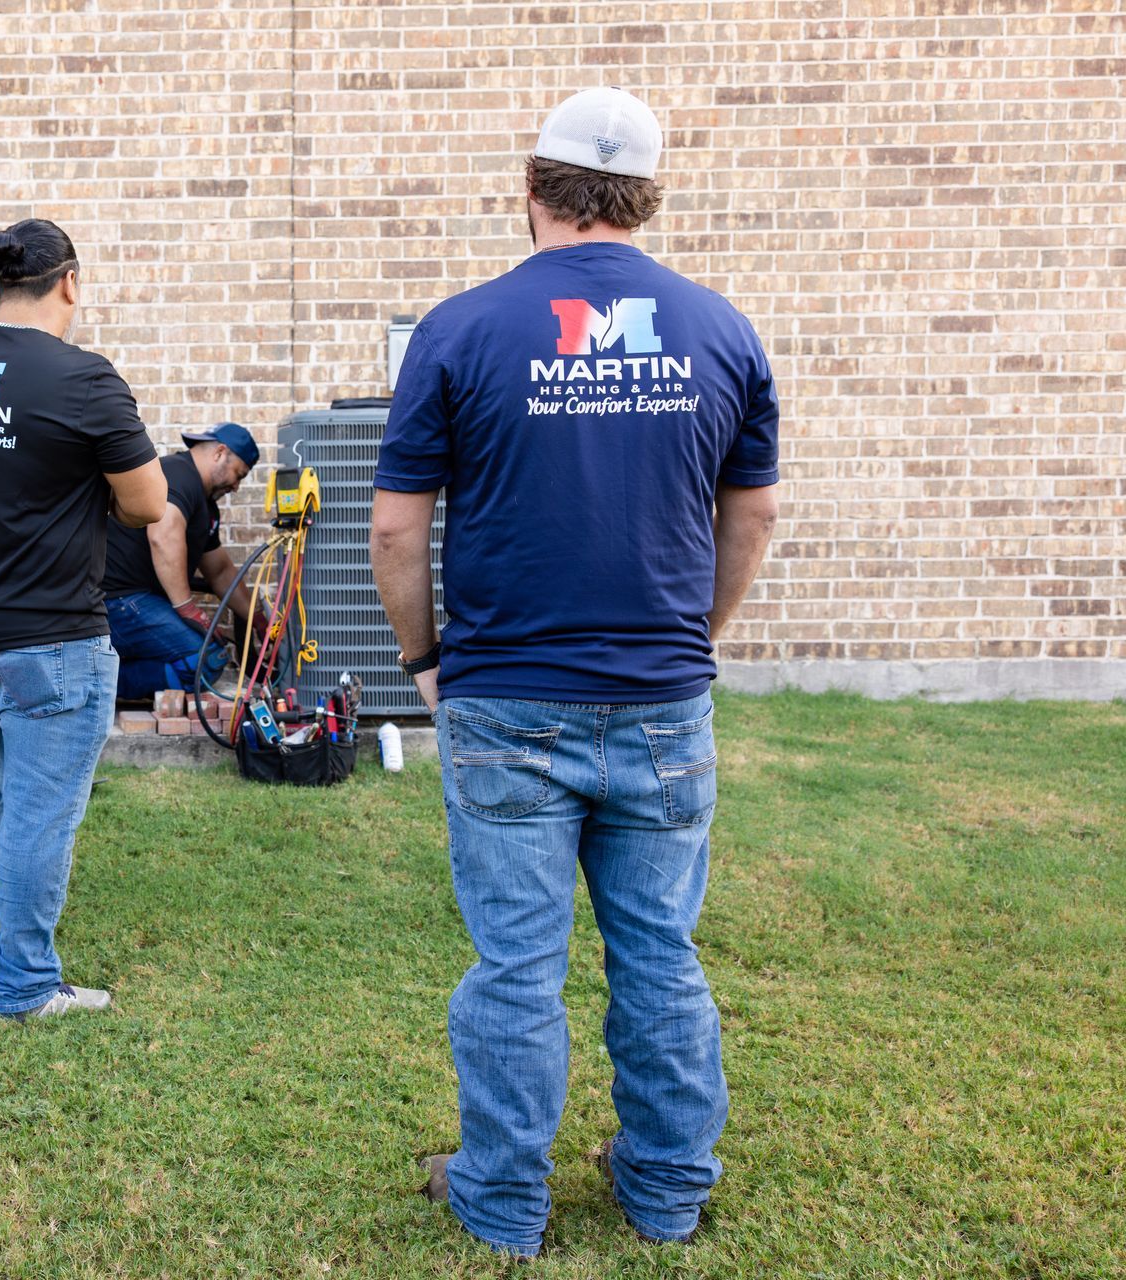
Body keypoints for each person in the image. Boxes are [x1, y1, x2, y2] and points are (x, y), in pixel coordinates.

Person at [370, 87, 781, 1256]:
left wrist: (423, 660)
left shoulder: (460, 328)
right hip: (660, 696)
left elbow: (397, 532)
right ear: (646, 196)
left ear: (532, 188)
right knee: (660, 952)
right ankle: (664, 1190)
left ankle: (501, 1198)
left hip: (503, 694)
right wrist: (696, 638)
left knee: (516, 963)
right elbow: (750, 513)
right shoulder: (721, 329)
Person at [0, 218, 167, 1020]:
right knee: (39, 809)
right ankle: (23, 986)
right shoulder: (82, 380)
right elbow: (150, 503)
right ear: (69, 283)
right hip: (53, 634)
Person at [100, 423, 262, 700]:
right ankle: (96, 685)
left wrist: (257, 619)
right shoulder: (177, 473)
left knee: (208, 657)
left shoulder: (205, 504)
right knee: (205, 660)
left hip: (140, 601)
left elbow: (221, 571)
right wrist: (186, 607)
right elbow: (163, 536)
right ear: (220, 453)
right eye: (239, 474)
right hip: (120, 601)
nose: (236, 486)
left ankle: (102, 674)